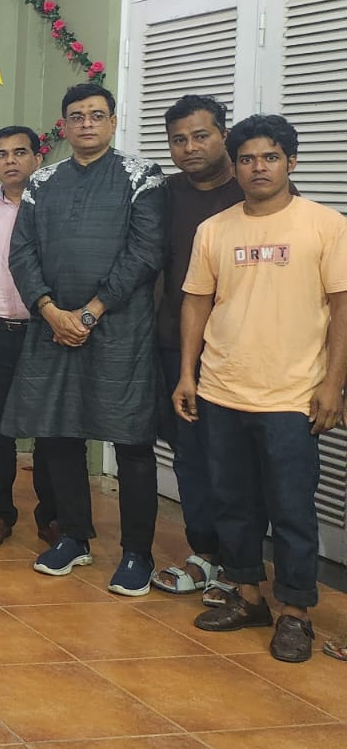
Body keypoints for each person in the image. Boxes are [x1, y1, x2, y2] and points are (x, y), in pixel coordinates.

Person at [175, 115, 347, 663]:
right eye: (247, 159)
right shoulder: (215, 229)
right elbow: (196, 302)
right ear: (235, 165)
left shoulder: (325, 225)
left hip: (293, 397)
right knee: (232, 503)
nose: (258, 168)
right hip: (222, 389)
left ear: (290, 162)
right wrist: (187, 373)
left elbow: (342, 307)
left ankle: (295, 612)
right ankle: (247, 595)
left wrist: (334, 384)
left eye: (270, 157)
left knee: (291, 508)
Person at [4, 82, 168, 597]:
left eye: (97, 115)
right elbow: (21, 252)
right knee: (58, 435)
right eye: (76, 116)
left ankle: (137, 553)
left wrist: (92, 311)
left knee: (132, 441)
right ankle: (74, 536)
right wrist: (50, 310)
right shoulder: (42, 180)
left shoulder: (142, 176)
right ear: (65, 125)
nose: (87, 124)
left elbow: (145, 252)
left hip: (120, 329)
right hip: (52, 328)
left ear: (113, 122)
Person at [151, 95, 243, 598]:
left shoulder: (252, 188)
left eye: (200, 135)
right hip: (175, 346)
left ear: (223, 134)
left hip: (240, 350)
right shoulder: (165, 194)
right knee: (189, 456)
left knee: (236, 460)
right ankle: (206, 553)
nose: (189, 148)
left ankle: (240, 563)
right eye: (178, 140)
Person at [0, 125, 56, 548]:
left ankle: (51, 515)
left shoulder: (56, 202)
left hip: (46, 331)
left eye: (20, 152)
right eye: (1, 154)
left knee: (50, 429)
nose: (10, 161)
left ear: (38, 158)